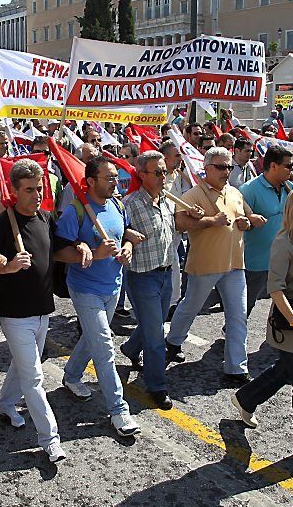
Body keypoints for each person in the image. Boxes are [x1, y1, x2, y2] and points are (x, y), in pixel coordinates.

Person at [231, 187, 293, 474]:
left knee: (286, 370)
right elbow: (275, 288)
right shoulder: (283, 243)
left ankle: (246, 398)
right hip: (290, 326)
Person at [0, 159, 67, 463]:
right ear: (14, 191)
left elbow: (57, 250)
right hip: (15, 314)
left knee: (25, 364)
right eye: (29, 190)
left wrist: (83, 251)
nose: (36, 194)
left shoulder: (45, 217)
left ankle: (5, 403)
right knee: (35, 377)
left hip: (43, 309)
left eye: (39, 188)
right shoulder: (3, 222)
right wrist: (3, 263)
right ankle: (50, 438)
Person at [55, 156, 142, 436]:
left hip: (113, 285)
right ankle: (119, 410)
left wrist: (128, 244)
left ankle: (71, 376)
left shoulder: (116, 204)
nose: (115, 182)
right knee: (104, 345)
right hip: (85, 288)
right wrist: (92, 254)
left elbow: (123, 231)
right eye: (109, 177)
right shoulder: (76, 212)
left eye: (116, 177)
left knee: (92, 337)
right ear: (91, 181)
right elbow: (59, 252)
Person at [168, 147, 265, 386]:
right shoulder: (193, 194)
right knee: (190, 306)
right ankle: (172, 342)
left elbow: (245, 219)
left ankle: (236, 368)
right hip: (206, 264)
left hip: (235, 264)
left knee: (238, 316)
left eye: (229, 166)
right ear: (207, 168)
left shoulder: (235, 193)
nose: (226, 171)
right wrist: (212, 221)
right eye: (221, 167)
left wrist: (247, 222)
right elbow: (180, 222)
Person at [120, 151, 203, 409]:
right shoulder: (129, 204)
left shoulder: (167, 200)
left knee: (152, 323)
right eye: (157, 172)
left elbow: (176, 227)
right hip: (142, 277)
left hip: (166, 274)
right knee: (156, 334)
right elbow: (114, 231)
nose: (162, 177)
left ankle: (131, 349)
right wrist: (126, 233)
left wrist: (193, 216)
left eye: (164, 171)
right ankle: (157, 385)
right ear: (141, 175)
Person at [240, 146, 293, 316]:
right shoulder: (249, 190)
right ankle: (233, 330)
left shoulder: (290, 187)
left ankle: (281, 336)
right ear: (273, 166)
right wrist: (250, 220)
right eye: (288, 166)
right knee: (246, 302)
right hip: (256, 262)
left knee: (286, 300)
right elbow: (238, 223)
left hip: (284, 259)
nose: (291, 170)